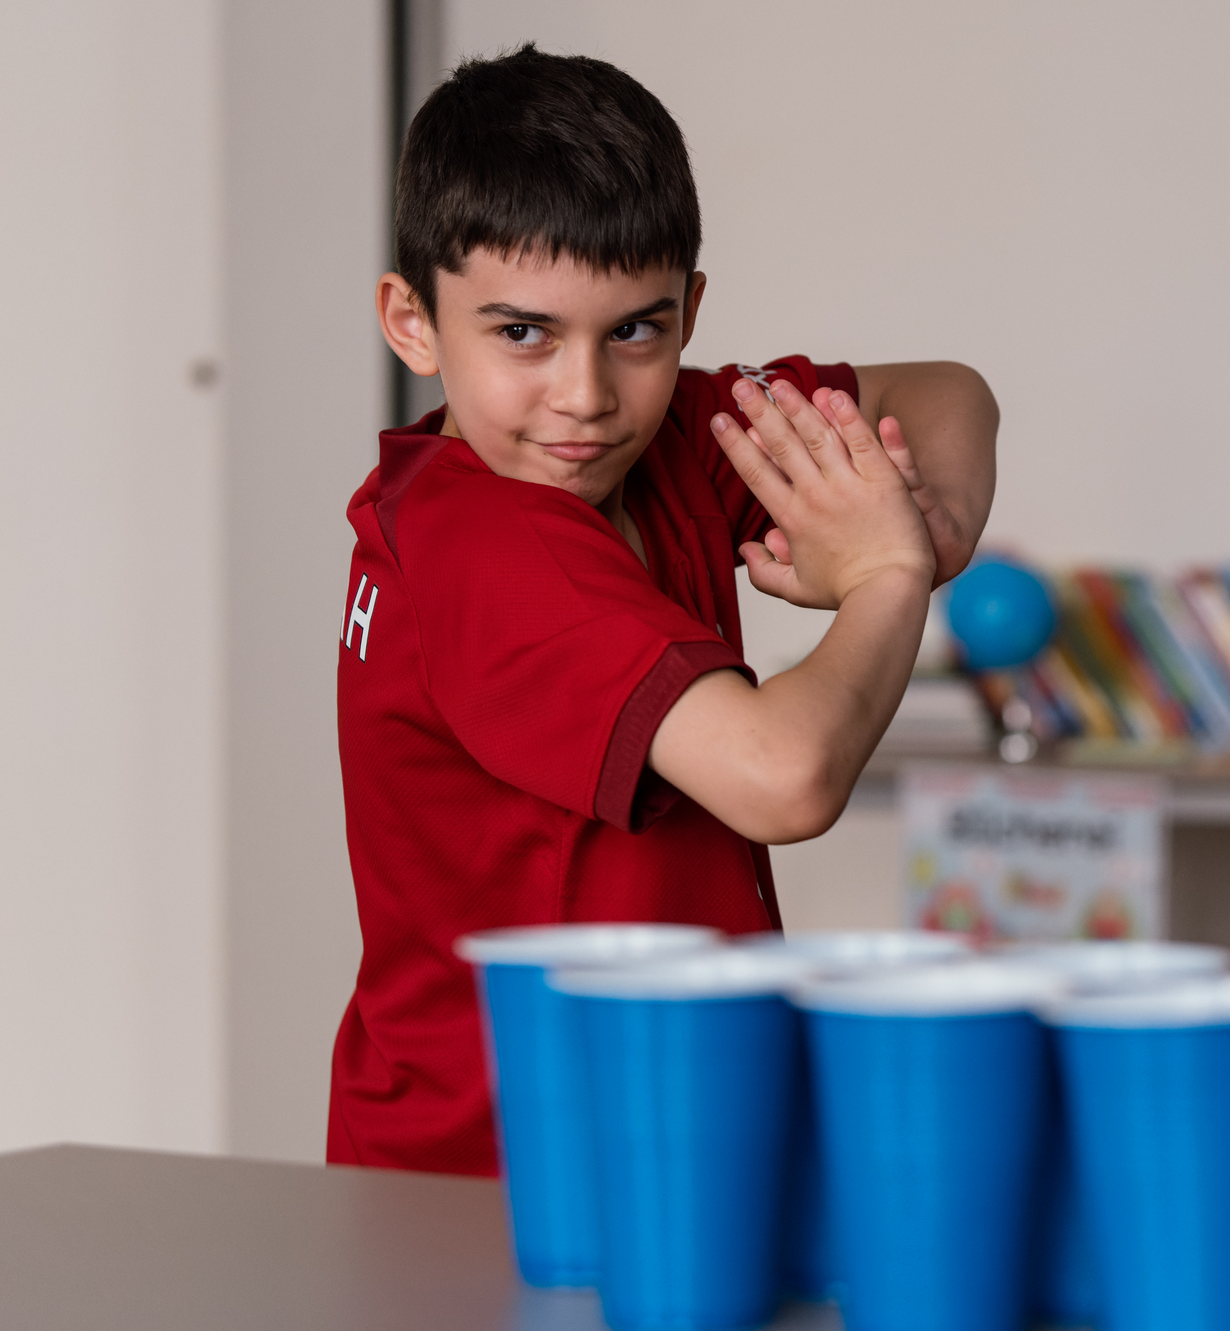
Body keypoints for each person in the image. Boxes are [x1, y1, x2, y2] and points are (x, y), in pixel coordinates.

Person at [330, 44, 998, 1174]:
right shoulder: (487, 544)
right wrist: (883, 574)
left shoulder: (677, 435)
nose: (585, 397)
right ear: (411, 320)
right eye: (522, 333)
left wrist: (923, 523)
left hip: (662, 1129)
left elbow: (943, 390)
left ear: (687, 310)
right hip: (504, 1176)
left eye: (632, 329)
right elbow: (785, 777)